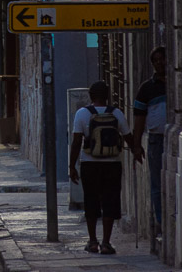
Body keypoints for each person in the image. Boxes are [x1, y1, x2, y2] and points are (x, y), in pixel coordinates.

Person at [70, 80, 141, 255]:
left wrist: (72, 166)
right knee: (111, 200)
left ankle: (93, 242)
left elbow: (77, 142)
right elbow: (127, 136)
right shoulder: (117, 113)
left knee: (91, 200)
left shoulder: (82, 114)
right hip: (112, 164)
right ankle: (106, 243)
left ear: (90, 96)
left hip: (89, 164)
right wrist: (136, 151)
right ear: (107, 96)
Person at [131, 46, 168, 232]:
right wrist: (136, 146)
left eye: (162, 59)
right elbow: (139, 119)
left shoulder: (178, 82)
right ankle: (161, 221)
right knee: (156, 183)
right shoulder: (146, 89)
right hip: (156, 140)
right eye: (156, 60)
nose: (159, 63)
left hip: (170, 139)